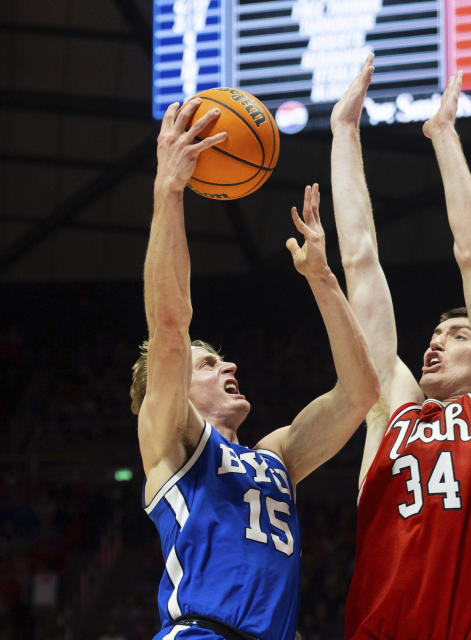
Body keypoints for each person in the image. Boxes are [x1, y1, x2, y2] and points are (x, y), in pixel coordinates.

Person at [130, 98, 379, 640]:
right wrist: (168, 191)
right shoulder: (171, 443)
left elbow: (360, 393)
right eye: (209, 363)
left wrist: (322, 279)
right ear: (171, 388)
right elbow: (170, 328)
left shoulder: (276, 457)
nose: (230, 364)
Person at [329, 55, 471, 639]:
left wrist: (443, 136)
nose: (436, 343)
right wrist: (344, 133)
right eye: (434, 335)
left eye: (458, 334)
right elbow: (360, 264)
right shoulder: (388, 410)